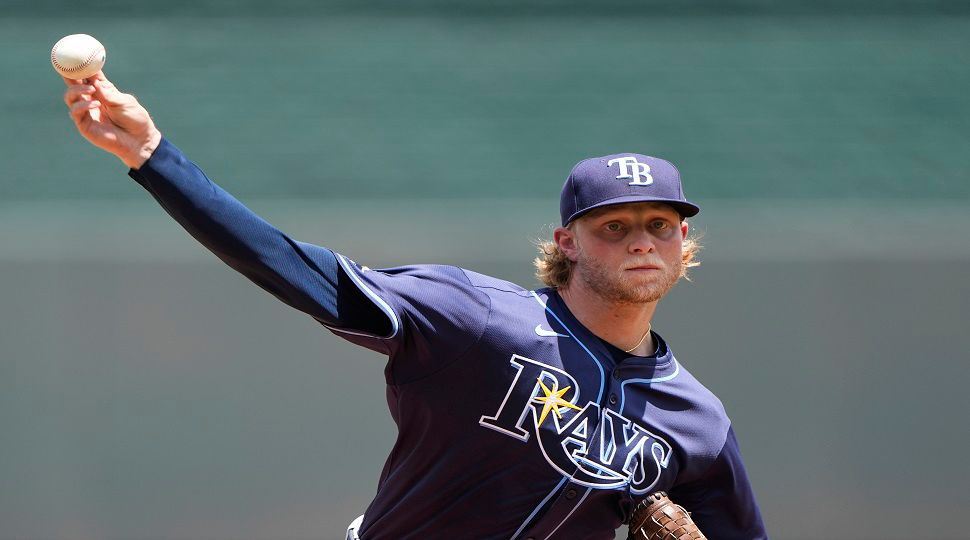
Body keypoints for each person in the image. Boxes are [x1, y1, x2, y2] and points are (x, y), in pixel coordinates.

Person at [62, 72, 768, 540]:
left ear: (683, 242)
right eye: (614, 226)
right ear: (568, 243)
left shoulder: (695, 420)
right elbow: (289, 265)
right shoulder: (479, 320)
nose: (641, 241)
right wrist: (153, 155)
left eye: (660, 225)